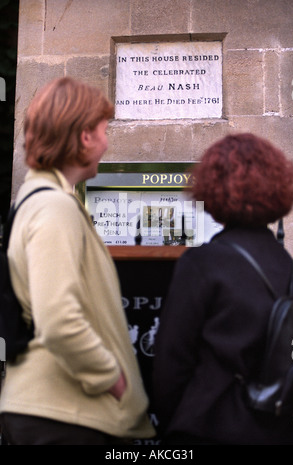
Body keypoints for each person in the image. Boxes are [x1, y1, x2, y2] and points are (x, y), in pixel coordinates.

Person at [0, 77, 155, 445]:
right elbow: (59, 320)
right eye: (103, 130)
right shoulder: (55, 207)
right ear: (84, 136)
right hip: (65, 414)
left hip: (54, 411)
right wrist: (113, 380)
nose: (106, 142)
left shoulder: (39, 200)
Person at [153, 133, 293, 445]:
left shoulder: (202, 262)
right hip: (275, 429)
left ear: (213, 187)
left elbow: (170, 362)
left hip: (208, 425)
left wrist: (175, 423)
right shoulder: (285, 264)